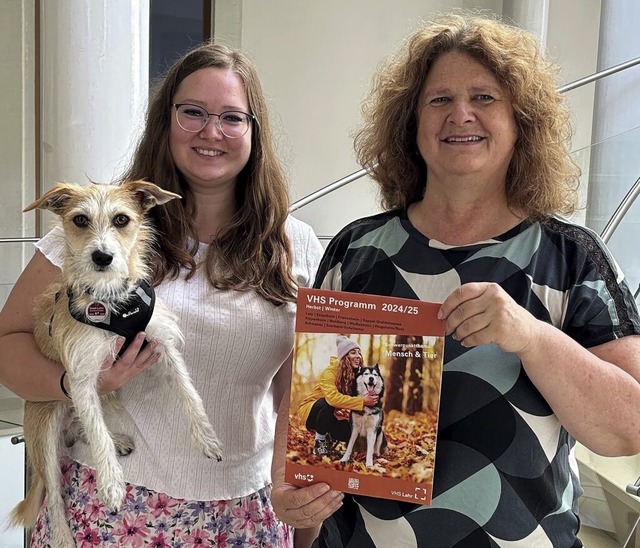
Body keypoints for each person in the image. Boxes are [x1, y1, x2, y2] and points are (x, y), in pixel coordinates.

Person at [271, 11, 640, 547]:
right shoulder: (357, 252)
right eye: (439, 99)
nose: (460, 114)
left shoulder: (572, 258)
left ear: (521, 122)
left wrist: (533, 337)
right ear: (411, 125)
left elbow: (629, 426)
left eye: (484, 97)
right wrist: (294, 497)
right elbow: (308, 411)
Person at [0, 41, 324, 546]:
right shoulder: (92, 229)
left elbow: (299, 397)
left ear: (254, 131)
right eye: (192, 112)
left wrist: (305, 528)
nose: (211, 131)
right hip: (109, 510)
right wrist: (76, 385)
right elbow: (10, 339)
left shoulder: (295, 244)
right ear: (165, 120)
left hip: (246, 512)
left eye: (232, 117)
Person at [297, 336, 377, 455]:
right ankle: (320, 442)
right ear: (345, 356)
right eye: (353, 352)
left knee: (351, 430)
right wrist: (362, 401)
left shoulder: (355, 376)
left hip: (331, 413)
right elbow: (333, 399)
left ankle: (330, 438)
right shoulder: (330, 372)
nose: (358, 356)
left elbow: (351, 401)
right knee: (328, 402)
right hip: (311, 412)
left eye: (359, 353)